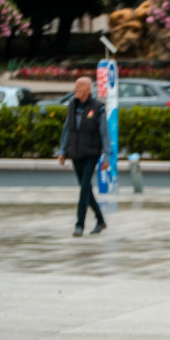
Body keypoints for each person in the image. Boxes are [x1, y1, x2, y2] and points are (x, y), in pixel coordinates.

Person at [58, 77, 110, 237]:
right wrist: (62, 150)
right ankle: (100, 220)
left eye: (79, 87)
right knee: (86, 189)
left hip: (91, 153)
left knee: (84, 189)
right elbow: (67, 129)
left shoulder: (98, 108)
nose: (75, 89)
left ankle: (79, 225)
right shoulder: (73, 106)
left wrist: (107, 156)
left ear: (87, 90)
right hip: (75, 153)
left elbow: (104, 133)